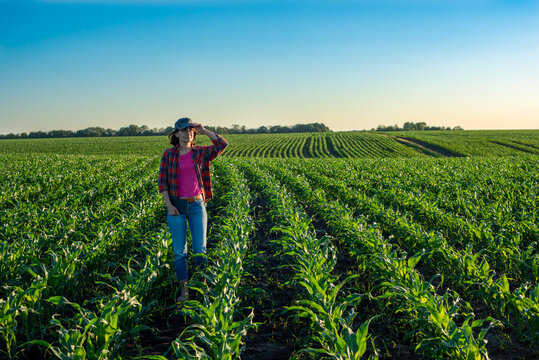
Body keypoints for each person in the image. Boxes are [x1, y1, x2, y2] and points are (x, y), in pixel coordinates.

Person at [158, 117, 228, 301]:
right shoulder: (169, 155)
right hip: (176, 207)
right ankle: (184, 289)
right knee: (180, 252)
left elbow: (222, 144)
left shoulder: (201, 153)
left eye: (191, 130)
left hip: (197, 205)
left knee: (200, 250)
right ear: (176, 134)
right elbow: (162, 183)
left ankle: (202, 285)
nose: (187, 132)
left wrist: (204, 130)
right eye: (183, 130)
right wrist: (169, 205)